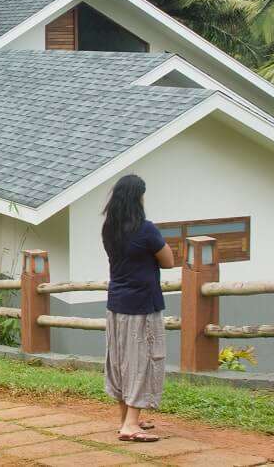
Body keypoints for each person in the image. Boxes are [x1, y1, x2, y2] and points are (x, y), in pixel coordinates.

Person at [101, 174, 175, 443]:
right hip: (142, 306)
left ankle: (126, 419)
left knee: (121, 362)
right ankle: (131, 425)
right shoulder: (146, 229)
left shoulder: (109, 228)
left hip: (116, 305)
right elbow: (168, 261)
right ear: (138, 198)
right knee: (143, 360)